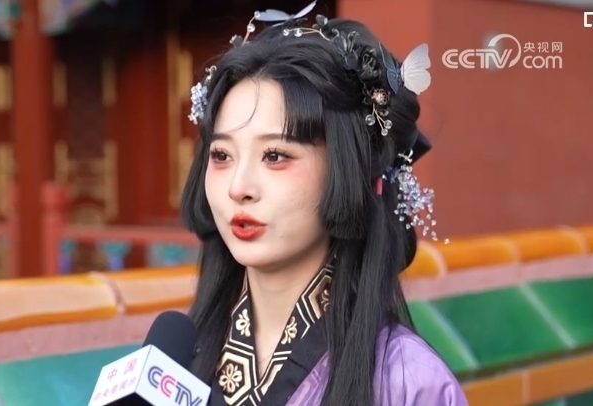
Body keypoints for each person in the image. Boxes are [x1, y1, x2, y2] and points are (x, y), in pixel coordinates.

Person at [179, 4, 467, 406]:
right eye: (222, 155)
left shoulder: (408, 381)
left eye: (275, 156)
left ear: (347, 171)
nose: (238, 188)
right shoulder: (177, 359)